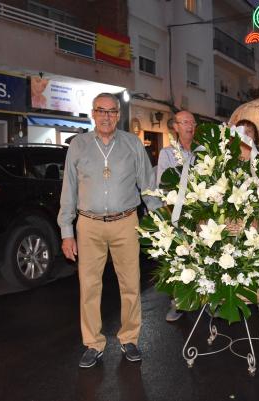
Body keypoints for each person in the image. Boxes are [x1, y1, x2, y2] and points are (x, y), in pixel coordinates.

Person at [58, 93, 161, 368]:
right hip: (88, 224)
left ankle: (130, 338)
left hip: (126, 222)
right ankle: (93, 343)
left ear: (118, 115)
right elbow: (69, 189)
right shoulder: (78, 146)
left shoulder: (132, 144)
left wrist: (160, 222)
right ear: (93, 114)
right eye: (101, 111)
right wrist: (66, 231)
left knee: (130, 283)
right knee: (89, 286)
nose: (106, 116)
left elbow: (148, 187)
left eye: (112, 111)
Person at [156, 110, 196, 322]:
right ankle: (177, 303)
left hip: (200, 215)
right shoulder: (167, 153)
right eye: (184, 122)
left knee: (203, 258)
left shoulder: (203, 151)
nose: (189, 125)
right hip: (176, 214)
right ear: (175, 127)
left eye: (192, 122)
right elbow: (162, 187)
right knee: (178, 259)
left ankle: (208, 300)